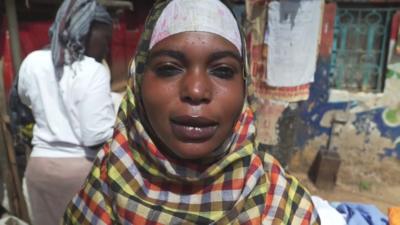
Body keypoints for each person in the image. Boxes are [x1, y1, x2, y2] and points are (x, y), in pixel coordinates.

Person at [63, 0, 320, 224]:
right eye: (168, 68)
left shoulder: (286, 208)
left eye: (222, 71)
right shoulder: (101, 191)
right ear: (138, 83)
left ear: (245, 88)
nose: (196, 90)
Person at [17, 0, 115, 224]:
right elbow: (95, 135)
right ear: (86, 30)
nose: (107, 48)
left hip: (40, 170)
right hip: (78, 175)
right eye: (105, 39)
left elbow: (24, 99)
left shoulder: (32, 61)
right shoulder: (93, 71)